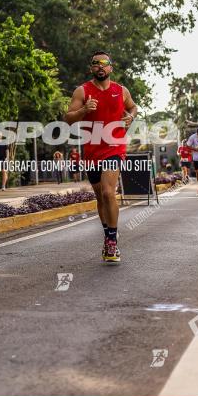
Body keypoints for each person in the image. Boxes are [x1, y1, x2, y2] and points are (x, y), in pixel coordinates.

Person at [65, 51, 137, 263]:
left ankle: (112, 242)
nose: (100, 67)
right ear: (91, 68)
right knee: (99, 197)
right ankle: (108, 234)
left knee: (108, 193)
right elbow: (68, 118)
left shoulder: (121, 91)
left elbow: (133, 107)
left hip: (114, 147)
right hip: (92, 151)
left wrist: (130, 116)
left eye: (104, 63)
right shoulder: (82, 91)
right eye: (96, 63)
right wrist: (84, 110)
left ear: (110, 68)